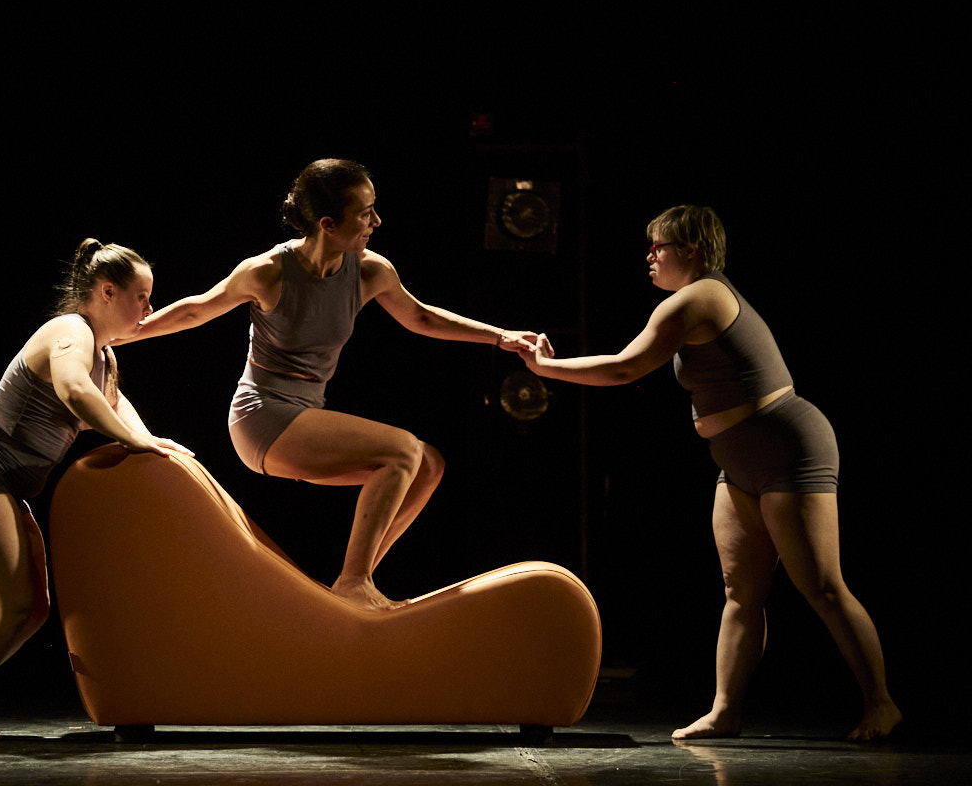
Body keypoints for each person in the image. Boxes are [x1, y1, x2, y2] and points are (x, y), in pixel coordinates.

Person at [515, 205, 901, 741]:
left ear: (691, 250)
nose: (649, 257)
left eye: (659, 247)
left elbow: (627, 366)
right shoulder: (691, 300)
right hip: (737, 457)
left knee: (822, 586)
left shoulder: (699, 296)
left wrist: (545, 368)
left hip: (787, 446)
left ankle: (882, 704)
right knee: (740, 592)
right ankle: (725, 711)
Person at [122, 159, 539, 611]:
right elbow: (195, 310)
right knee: (402, 449)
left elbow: (419, 316)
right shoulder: (268, 271)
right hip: (261, 416)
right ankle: (354, 582)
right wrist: (125, 332)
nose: (376, 222)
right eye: (364, 214)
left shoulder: (369, 271)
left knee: (427, 465)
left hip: (306, 416)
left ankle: (350, 589)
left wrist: (499, 337)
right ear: (327, 224)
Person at [0, 239, 190, 743]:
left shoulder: (102, 354)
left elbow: (113, 402)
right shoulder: (70, 331)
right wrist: (135, 441)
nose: (149, 309)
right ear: (107, 291)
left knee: (33, 608)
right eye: (142, 297)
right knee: (13, 605)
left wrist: (151, 444)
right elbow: (74, 391)